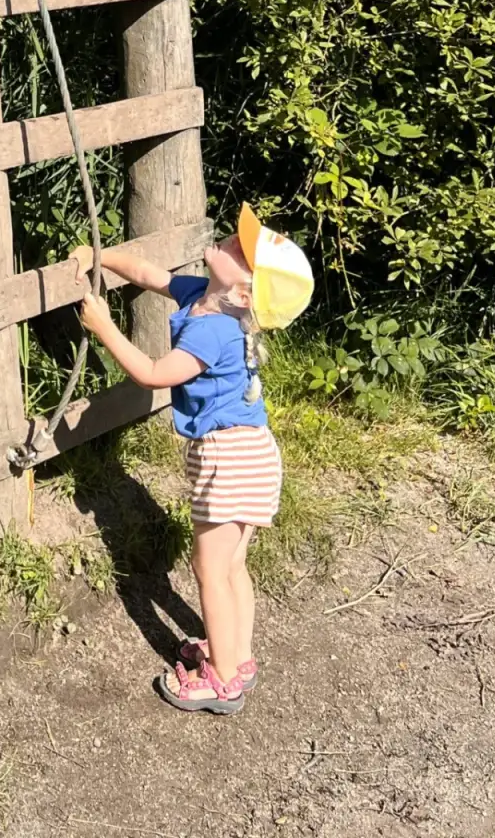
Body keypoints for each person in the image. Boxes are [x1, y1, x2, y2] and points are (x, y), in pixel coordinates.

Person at [75, 203, 313, 716]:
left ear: (244, 292)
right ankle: (237, 656)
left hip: (228, 457)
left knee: (210, 570)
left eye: (239, 250)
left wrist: (105, 328)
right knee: (232, 566)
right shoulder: (207, 301)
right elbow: (148, 273)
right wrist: (100, 255)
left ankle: (221, 681)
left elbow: (155, 374)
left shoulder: (213, 331)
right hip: (252, 450)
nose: (230, 239)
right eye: (236, 237)